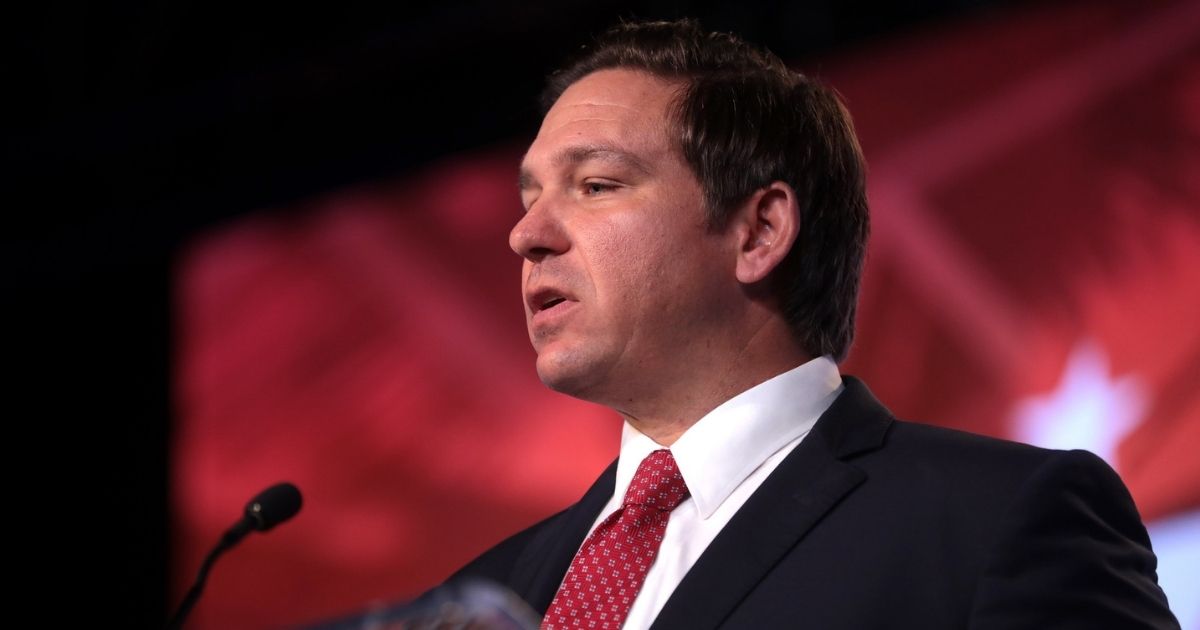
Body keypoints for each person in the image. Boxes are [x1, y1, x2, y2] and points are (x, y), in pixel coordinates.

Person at [446, 18, 1178, 629]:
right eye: (529, 196)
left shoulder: (998, 521)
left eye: (596, 185)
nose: (526, 235)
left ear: (759, 232)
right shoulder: (479, 598)